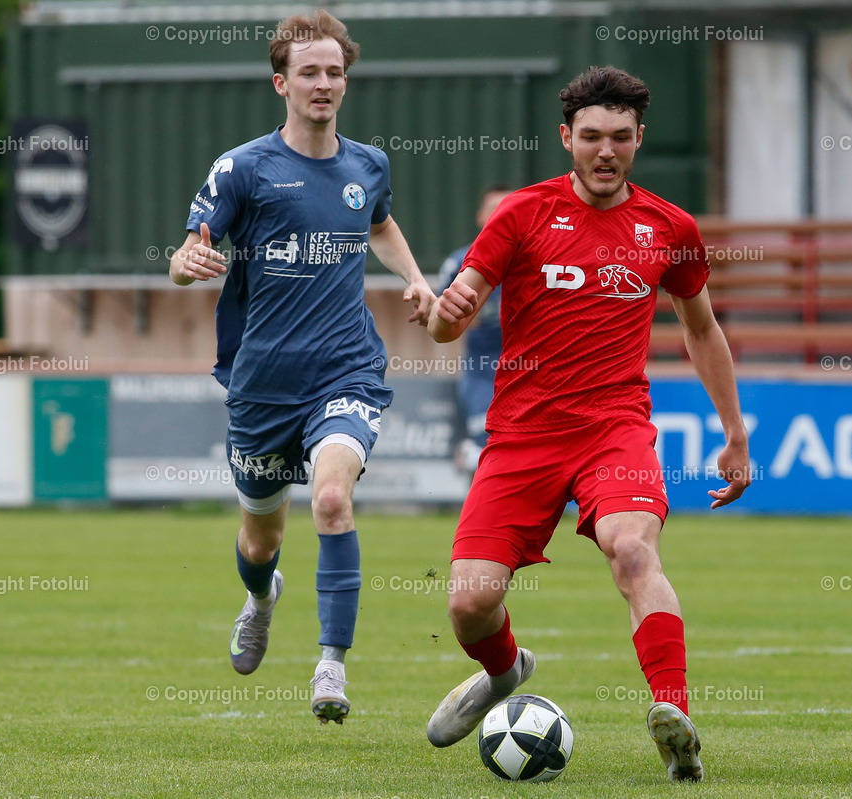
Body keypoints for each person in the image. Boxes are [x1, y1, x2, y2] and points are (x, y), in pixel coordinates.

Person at [425, 66, 751, 781]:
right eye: (593, 136)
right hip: (522, 434)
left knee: (632, 550)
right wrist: (448, 316)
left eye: (621, 137)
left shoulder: (670, 227)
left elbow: (702, 329)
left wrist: (734, 433)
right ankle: (505, 672)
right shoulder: (521, 214)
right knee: (470, 603)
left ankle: (675, 719)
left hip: (614, 429)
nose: (607, 150)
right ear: (567, 137)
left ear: (639, 139)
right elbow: (455, 316)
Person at [168, 10, 434, 725]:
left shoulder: (368, 165)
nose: (324, 83)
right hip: (261, 383)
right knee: (262, 539)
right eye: (309, 72)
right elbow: (186, 253)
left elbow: (379, 222)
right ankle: (261, 597)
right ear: (280, 83)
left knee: (331, 501)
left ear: (346, 82)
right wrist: (187, 262)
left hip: (346, 371)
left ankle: (330, 666)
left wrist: (414, 277)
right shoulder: (243, 168)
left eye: (334, 72)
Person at [436, 185, 511, 477]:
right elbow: (438, 314)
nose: (500, 215)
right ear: (480, 216)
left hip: (530, 369)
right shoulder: (460, 262)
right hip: (481, 370)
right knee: (483, 444)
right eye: (493, 209)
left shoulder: (537, 260)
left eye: (507, 208)